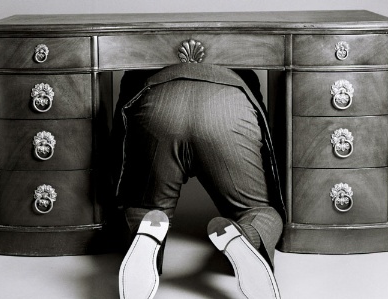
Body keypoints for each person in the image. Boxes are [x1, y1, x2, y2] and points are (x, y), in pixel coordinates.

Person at [111, 63, 286, 299]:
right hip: (226, 103)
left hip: (158, 99)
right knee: (259, 211)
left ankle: (147, 232)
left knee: (143, 209)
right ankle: (247, 236)